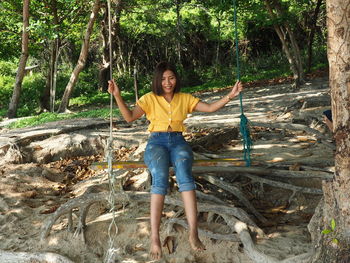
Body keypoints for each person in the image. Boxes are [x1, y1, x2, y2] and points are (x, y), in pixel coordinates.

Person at [108, 61, 243, 260]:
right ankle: (154, 237)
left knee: (185, 178)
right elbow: (129, 117)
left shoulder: (184, 98)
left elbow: (211, 108)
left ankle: (193, 233)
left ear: (176, 79)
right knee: (160, 179)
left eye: (171, 77)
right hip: (157, 143)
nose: (167, 82)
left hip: (178, 142)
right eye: (163, 78)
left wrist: (230, 95)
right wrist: (117, 95)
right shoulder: (149, 99)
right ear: (157, 80)